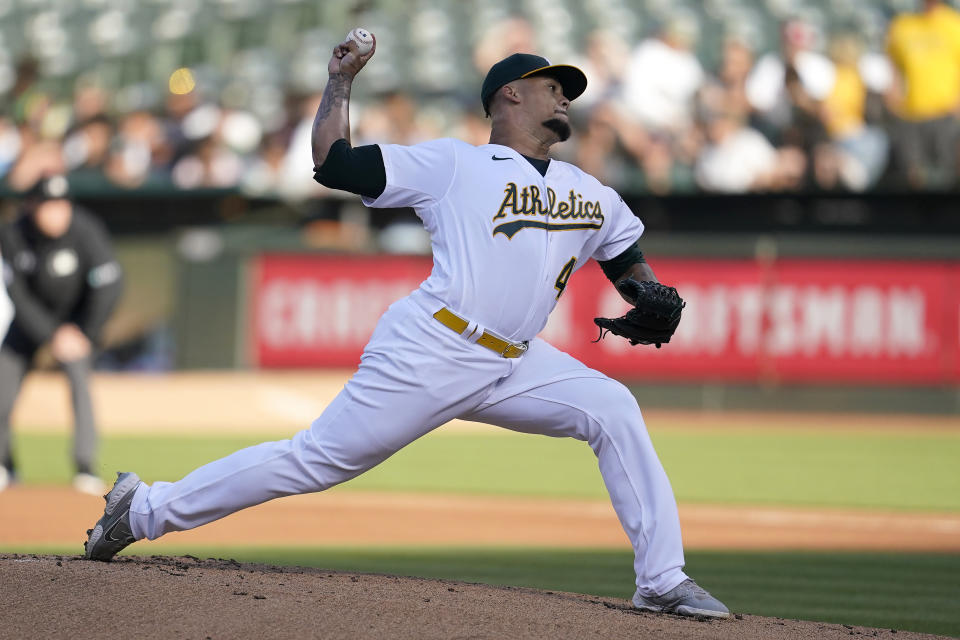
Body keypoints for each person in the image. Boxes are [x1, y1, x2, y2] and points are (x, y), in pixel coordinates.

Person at [83, 37, 730, 619]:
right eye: (552, 85)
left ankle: (662, 579)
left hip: (516, 363)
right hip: (434, 346)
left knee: (612, 408)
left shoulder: (590, 191)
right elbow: (334, 163)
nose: (565, 96)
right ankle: (141, 508)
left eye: (567, 90)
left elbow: (623, 256)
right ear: (510, 93)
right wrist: (339, 85)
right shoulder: (453, 165)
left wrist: (644, 291)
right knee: (315, 461)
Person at [0, 174, 123, 494]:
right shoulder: (14, 233)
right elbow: (18, 295)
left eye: (61, 205)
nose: (56, 213)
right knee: (2, 387)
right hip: (31, 323)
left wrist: (86, 332)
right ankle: (4, 464)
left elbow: (109, 286)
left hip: (78, 324)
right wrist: (51, 334)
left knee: (80, 384)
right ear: (32, 207)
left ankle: (85, 467)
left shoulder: (86, 229)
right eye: (47, 206)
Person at [885, 0, 960, 188]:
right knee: (913, 176)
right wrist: (893, 93)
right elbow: (893, 63)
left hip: (945, 113)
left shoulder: (954, 24)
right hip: (911, 112)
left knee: (947, 175)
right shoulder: (902, 25)